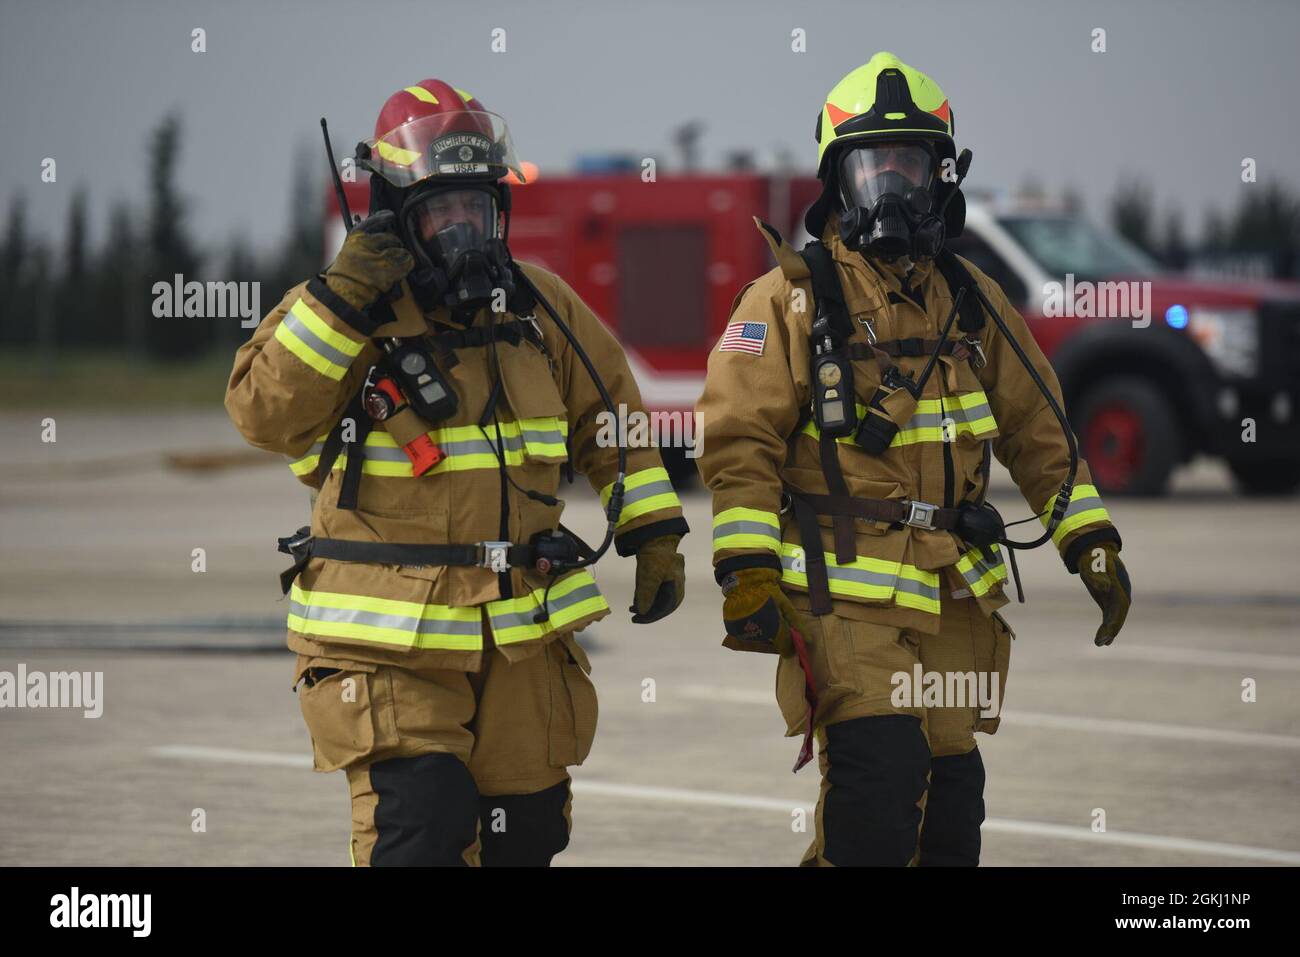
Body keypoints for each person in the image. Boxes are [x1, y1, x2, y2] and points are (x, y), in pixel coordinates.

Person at [225, 79, 688, 866]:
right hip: (389, 646)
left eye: (477, 208)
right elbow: (262, 413)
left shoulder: (540, 309)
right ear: (396, 211)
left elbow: (609, 419)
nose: (464, 229)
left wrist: (651, 530)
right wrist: (345, 298)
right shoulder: (343, 308)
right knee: (425, 830)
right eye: (442, 211)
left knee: (526, 835)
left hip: (519, 639)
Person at [695, 52, 1131, 866]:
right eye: (873, 165)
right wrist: (745, 568)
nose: (891, 186)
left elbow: (1039, 431)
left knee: (950, 817)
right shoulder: (788, 302)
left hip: (955, 594)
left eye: (910, 165)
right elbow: (738, 442)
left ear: (942, 177)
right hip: (843, 598)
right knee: (877, 794)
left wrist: (1089, 540)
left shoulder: (974, 299)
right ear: (840, 180)